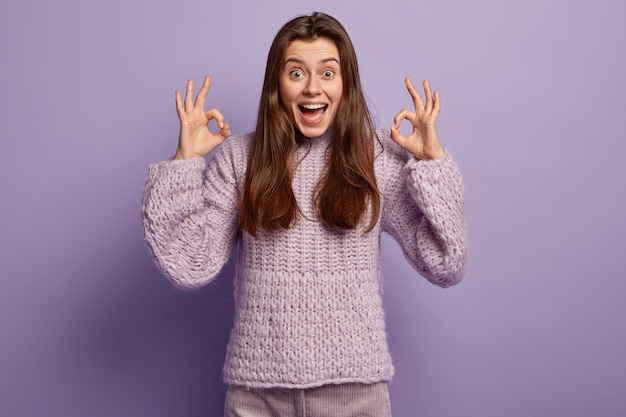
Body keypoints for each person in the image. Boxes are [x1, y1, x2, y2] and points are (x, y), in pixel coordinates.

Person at [142, 11, 467, 417]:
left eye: (328, 72)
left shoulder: (377, 160)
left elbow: (446, 263)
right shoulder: (240, 159)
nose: (313, 88)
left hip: (354, 397)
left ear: (346, 83)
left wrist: (433, 164)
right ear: (277, 85)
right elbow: (189, 266)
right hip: (257, 397)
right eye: (296, 73)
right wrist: (185, 162)